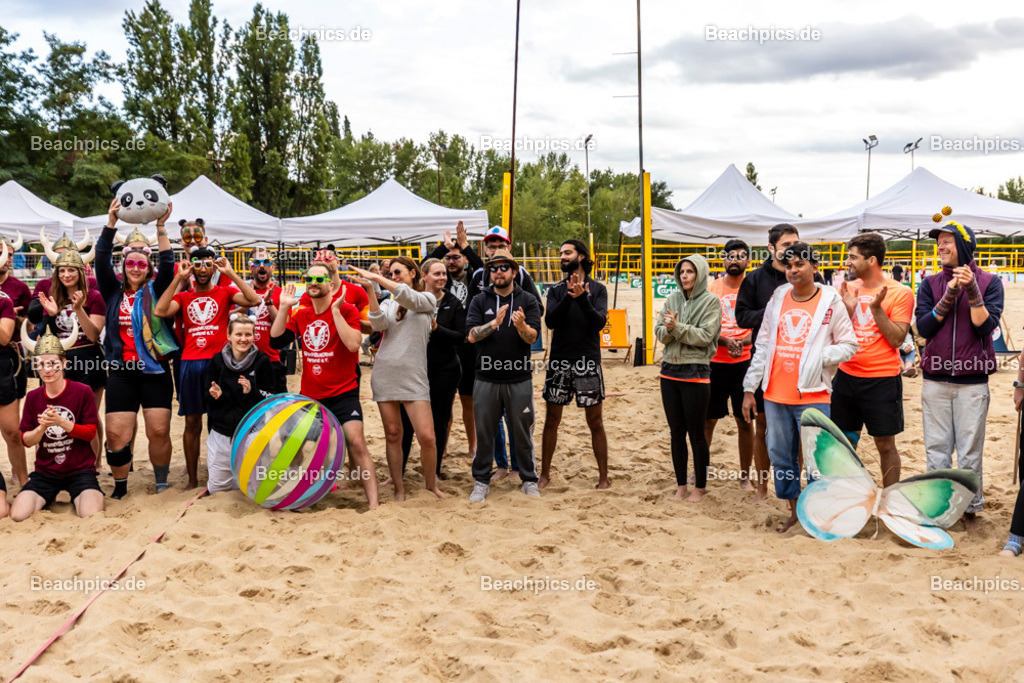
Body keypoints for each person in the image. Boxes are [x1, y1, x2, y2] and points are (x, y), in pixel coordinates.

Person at [742, 243, 858, 533]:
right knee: (781, 456)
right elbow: (764, 344)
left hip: (813, 393)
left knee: (816, 459)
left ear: (814, 267)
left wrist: (819, 358)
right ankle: (795, 512)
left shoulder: (831, 301)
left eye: (799, 265)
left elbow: (849, 345)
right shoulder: (778, 298)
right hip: (774, 394)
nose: (793, 271)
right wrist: (749, 388)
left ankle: (816, 515)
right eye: (788, 266)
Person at [915, 219, 1003, 526]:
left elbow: (985, 327)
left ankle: (969, 508)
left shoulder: (991, 282)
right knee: (936, 449)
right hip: (935, 380)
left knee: (969, 452)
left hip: (973, 382)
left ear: (964, 246)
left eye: (947, 242)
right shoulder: (929, 283)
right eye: (938, 242)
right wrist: (950, 293)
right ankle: (939, 506)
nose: (940, 246)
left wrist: (972, 288)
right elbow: (925, 327)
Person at [270, 265, 379, 510]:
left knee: (357, 442)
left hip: (343, 393)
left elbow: (353, 345)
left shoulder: (347, 309)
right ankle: (295, 493)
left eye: (320, 278)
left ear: (331, 285)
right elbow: (275, 340)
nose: (313, 282)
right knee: (292, 441)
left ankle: (373, 505)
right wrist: (285, 307)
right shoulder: (301, 314)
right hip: (312, 396)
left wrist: (337, 312)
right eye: (308, 278)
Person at [154, 247, 261, 489]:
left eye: (207, 264)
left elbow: (254, 300)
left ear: (213, 267)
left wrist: (231, 273)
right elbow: (160, 311)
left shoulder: (224, 292)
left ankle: (221, 475)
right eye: (198, 264)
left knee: (222, 420)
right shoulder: (184, 297)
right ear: (192, 267)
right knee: (192, 422)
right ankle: (193, 480)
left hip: (220, 364)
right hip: (190, 364)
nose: (203, 269)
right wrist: (179, 278)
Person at [734, 223, 820, 502]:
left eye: (796, 243)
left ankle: (795, 490)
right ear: (771, 248)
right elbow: (742, 317)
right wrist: (773, 312)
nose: (791, 250)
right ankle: (761, 488)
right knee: (764, 427)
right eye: (785, 245)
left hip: (802, 365)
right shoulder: (756, 279)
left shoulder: (805, 275)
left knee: (799, 430)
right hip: (768, 363)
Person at [97, 199, 177, 498]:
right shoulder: (111, 290)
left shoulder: (158, 289)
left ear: (148, 267)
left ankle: (161, 482)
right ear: (123, 266)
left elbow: (168, 263)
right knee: (118, 434)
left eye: (141, 263)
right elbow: (101, 257)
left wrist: (160, 227)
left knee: (158, 431)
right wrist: (111, 222)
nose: (135, 268)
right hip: (121, 370)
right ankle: (120, 487)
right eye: (130, 263)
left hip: (155, 370)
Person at [350, 258, 444, 501]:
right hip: (386, 373)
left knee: (427, 437)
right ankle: (399, 488)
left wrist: (377, 279)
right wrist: (371, 291)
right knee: (393, 433)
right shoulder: (390, 303)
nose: (394, 276)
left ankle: (431, 485)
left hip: (414, 377)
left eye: (398, 272)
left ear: (414, 273)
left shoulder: (427, 299)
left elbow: (407, 296)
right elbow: (379, 324)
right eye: (390, 274)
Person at [833, 233, 914, 487]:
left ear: (871, 260)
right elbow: (834, 335)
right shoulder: (847, 289)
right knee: (844, 443)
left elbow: (897, 340)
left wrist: (876, 309)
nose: (848, 261)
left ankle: (890, 501)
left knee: (885, 445)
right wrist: (847, 309)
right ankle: (847, 496)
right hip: (846, 376)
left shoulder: (900, 292)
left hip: (882, 379)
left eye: (853, 257)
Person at [465, 248, 543, 502]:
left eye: (503, 267)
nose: (498, 272)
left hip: (519, 377)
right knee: (485, 431)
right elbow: (471, 335)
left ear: (514, 271)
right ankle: (481, 481)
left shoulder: (528, 300)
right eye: (494, 268)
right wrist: (494, 324)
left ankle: (529, 480)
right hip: (486, 377)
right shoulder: (480, 300)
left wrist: (521, 326)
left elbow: (532, 337)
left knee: (522, 432)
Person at [10, 321, 103, 522]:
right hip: (46, 473)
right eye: (41, 364)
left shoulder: (82, 391)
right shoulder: (34, 397)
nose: (47, 369)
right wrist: (42, 427)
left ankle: (77, 494)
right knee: (18, 515)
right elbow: (25, 440)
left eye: (52, 363)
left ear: (63, 363)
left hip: (80, 471)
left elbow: (90, 433)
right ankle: (48, 496)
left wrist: (62, 422)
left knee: (91, 514)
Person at [539, 239, 609, 489]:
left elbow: (598, 322)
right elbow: (551, 322)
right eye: (561, 253)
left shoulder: (598, 289)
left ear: (582, 256)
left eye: (567, 253)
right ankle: (544, 475)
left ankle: (603, 477)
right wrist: (570, 296)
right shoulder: (556, 290)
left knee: (595, 422)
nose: (562, 257)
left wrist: (582, 298)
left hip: (587, 362)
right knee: (551, 420)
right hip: (559, 362)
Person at [656, 254, 721, 502]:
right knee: (676, 432)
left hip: (696, 371)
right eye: (681, 271)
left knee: (696, 433)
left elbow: (704, 336)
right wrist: (671, 330)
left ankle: (700, 486)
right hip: (669, 370)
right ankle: (681, 484)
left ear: (700, 274)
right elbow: (660, 332)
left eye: (690, 272)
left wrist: (676, 329)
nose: (684, 276)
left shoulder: (711, 302)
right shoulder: (672, 298)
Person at [33, 245, 107, 460]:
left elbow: (93, 335)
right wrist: (50, 314)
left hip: (88, 358)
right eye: (61, 270)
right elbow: (42, 339)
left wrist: (79, 309)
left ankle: (94, 463)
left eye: (71, 270)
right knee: (56, 413)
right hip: (60, 361)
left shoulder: (94, 296)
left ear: (81, 272)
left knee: (89, 417)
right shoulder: (52, 296)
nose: (66, 274)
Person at [399, 258, 466, 480]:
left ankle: (434, 472)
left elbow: (460, 337)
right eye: (436, 274)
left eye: (444, 274)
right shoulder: (413, 300)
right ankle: (397, 472)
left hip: (445, 370)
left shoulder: (453, 303)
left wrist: (437, 329)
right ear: (424, 276)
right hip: (415, 370)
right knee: (405, 422)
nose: (442, 278)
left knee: (439, 420)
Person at [426, 222, 484, 462]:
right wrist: (444, 247)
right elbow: (426, 265)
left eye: (456, 257)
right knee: (444, 403)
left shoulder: (476, 277)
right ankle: (444, 444)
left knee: (469, 402)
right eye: (448, 259)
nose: (451, 261)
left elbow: (482, 266)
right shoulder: (440, 281)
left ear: (465, 260)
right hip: (444, 345)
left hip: (468, 346)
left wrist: (465, 247)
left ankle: (473, 445)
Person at [204, 314, 275, 493]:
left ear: (254, 336)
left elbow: (272, 399)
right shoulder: (217, 361)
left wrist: (251, 392)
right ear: (228, 336)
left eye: (248, 334)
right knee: (217, 489)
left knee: (254, 488)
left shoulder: (262, 361)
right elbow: (207, 398)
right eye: (238, 334)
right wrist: (216, 396)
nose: (243, 339)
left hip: (252, 432)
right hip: (222, 431)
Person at [704, 240, 755, 492]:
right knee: (708, 420)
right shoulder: (713, 288)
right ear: (723, 260)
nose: (734, 260)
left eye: (740, 256)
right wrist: (725, 341)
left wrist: (743, 341)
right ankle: (699, 471)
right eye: (730, 256)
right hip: (715, 361)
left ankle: (745, 476)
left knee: (745, 421)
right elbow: (705, 326)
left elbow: (762, 325)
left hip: (745, 363)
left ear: (748, 261)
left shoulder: (753, 288)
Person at [0, 234, 32, 487]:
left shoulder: (18, 289)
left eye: (9, 254)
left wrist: (13, 316)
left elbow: (28, 327)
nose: (6, 259)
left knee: (12, 429)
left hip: (9, 358)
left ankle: (22, 479)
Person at [241, 247, 287, 394]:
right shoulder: (240, 292)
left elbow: (283, 326)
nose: (261, 266)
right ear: (250, 267)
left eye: (266, 262)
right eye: (257, 262)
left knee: (277, 408)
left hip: (272, 360)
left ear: (272, 266)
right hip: (245, 360)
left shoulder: (280, 293)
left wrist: (269, 303)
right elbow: (232, 320)